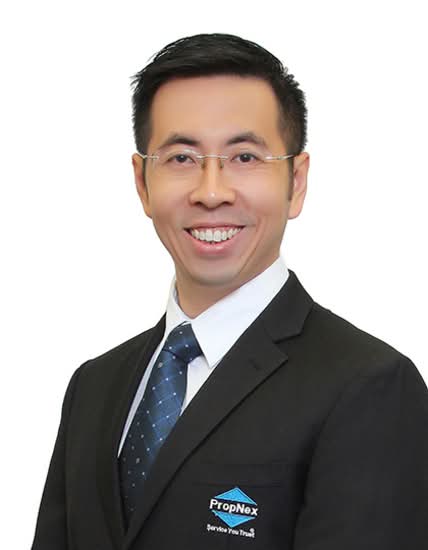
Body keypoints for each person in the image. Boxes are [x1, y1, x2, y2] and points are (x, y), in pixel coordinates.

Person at [31, 33, 428, 550]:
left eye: (244, 157)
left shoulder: (369, 387)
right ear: (142, 183)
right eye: (181, 158)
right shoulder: (94, 386)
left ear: (296, 182)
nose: (211, 191)